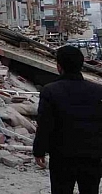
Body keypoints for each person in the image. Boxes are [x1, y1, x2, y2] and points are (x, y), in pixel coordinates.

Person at [33, 46, 102, 194]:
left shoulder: (50, 91)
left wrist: (39, 151)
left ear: (59, 66)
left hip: (61, 156)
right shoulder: (97, 91)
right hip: (93, 156)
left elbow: (45, 125)